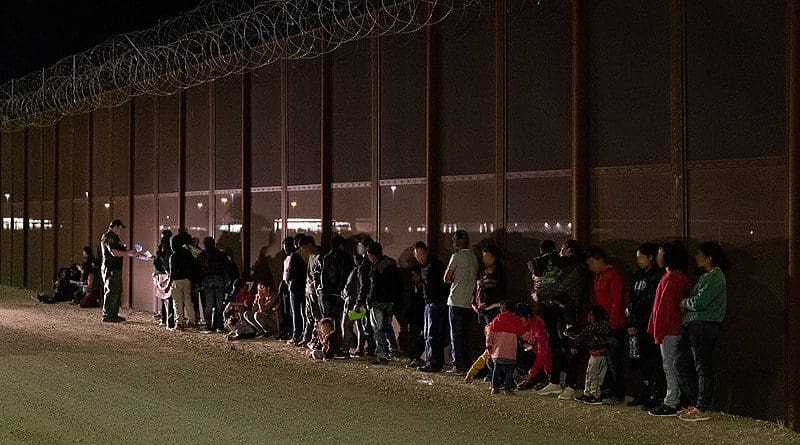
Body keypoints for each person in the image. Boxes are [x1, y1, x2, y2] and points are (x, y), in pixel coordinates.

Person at [675, 242, 730, 422]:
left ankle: (701, 406)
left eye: (699, 254)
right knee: (681, 363)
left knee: (701, 366)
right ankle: (696, 403)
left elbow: (700, 302)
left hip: (704, 325)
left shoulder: (716, 276)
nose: (696, 257)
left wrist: (684, 303)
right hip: (696, 325)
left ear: (708, 258)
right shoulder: (708, 276)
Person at [535, 240, 588, 400]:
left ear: (570, 250)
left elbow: (560, 286)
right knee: (556, 346)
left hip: (569, 312)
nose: (560, 251)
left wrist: (541, 292)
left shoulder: (578, 267)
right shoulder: (561, 265)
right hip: (555, 310)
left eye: (563, 248)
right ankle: (555, 381)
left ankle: (571, 384)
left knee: (570, 348)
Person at [647, 240, 691, 418]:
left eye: (660, 253)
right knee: (673, 366)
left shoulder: (671, 278)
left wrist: (657, 332)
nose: (658, 256)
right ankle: (675, 399)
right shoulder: (677, 277)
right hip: (674, 329)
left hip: (670, 330)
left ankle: (672, 402)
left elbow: (664, 309)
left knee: (669, 366)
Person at [626, 242, 666, 409]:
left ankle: (657, 394)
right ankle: (644, 391)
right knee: (642, 361)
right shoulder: (638, 275)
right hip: (639, 325)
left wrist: (633, 309)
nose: (639, 261)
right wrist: (631, 321)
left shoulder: (658, 275)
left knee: (655, 361)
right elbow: (632, 298)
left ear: (650, 257)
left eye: (641, 257)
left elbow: (650, 299)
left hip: (652, 325)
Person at [586, 247, 626, 403]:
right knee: (606, 361)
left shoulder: (613, 276)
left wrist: (612, 324)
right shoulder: (598, 277)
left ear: (599, 260)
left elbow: (617, 301)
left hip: (612, 326)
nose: (590, 268)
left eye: (591, 263)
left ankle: (617, 394)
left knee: (614, 362)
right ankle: (606, 392)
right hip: (603, 325)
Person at [444, 230, 479, 375]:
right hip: (469, 302)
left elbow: (446, 278)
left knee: (456, 335)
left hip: (456, 300)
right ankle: (466, 363)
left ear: (457, 242)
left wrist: (454, 279)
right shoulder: (474, 258)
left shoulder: (456, 256)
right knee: (465, 335)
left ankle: (458, 365)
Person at [361, 242, 402, 365]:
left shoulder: (375, 267)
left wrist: (368, 300)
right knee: (387, 326)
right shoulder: (392, 263)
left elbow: (373, 287)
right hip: (390, 301)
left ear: (371, 254)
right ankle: (393, 349)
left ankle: (382, 355)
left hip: (378, 302)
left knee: (378, 329)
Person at [411, 241, 449, 373]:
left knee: (432, 334)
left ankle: (434, 363)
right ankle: (431, 361)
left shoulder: (434, 265)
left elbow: (442, 284)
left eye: (421, 253)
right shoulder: (425, 266)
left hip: (436, 303)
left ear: (426, 251)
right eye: (417, 254)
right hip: (429, 302)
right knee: (428, 334)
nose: (419, 257)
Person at [571, 305, 613, 406]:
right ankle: (588, 394)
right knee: (590, 374)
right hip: (595, 355)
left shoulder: (595, 327)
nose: (588, 317)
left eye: (590, 314)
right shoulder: (603, 326)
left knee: (595, 376)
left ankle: (595, 396)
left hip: (599, 355)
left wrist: (575, 345)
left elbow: (582, 336)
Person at [486, 301, 528, 395]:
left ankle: (494, 388)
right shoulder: (516, 320)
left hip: (498, 351)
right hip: (510, 351)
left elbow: (490, 334)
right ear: (514, 310)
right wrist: (531, 339)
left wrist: (489, 345)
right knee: (510, 370)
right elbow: (523, 334)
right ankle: (507, 389)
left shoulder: (496, 319)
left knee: (496, 369)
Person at [342, 235, 375, 357]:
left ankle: (348, 349)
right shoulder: (365, 263)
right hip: (359, 299)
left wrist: (358, 300)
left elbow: (362, 285)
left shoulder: (363, 265)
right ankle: (361, 348)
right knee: (361, 325)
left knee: (349, 324)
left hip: (356, 299)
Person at [99, 219, 137, 323]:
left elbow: (120, 250)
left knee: (116, 290)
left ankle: (113, 314)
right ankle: (108, 315)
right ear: (115, 227)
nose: (121, 230)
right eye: (120, 228)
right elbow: (114, 252)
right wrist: (129, 252)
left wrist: (130, 252)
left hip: (114, 267)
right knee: (111, 290)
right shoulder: (109, 237)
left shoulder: (114, 237)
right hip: (111, 268)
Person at [318, 235, 354, 338]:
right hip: (340, 292)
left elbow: (323, 276)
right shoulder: (346, 257)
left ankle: (328, 340)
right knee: (339, 319)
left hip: (329, 292)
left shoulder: (327, 258)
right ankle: (338, 340)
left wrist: (324, 291)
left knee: (328, 319)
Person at [197, 236, 230, 333]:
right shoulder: (221, 254)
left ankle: (208, 325)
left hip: (207, 279)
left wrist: (199, 281)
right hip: (219, 278)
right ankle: (219, 325)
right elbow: (226, 266)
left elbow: (198, 269)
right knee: (219, 304)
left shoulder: (201, 255)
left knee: (209, 304)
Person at [516, 302, 552, 391]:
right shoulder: (522, 325)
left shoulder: (538, 327)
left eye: (520, 320)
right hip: (533, 353)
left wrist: (532, 373)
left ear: (528, 316)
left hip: (545, 360)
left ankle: (543, 379)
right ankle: (532, 379)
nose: (519, 323)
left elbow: (543, 353)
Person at [167, 234, 199, 330]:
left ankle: (179, 323)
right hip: (187, 280)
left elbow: (172, 272)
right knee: (188, 301)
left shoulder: (173, 256)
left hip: (177, 281)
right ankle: (192, 321)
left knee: (177, 302)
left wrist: (168, 284)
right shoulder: (188, 254)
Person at [473, 245, 506, 326]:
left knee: (491, 334)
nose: (484, 259)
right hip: (480, 310)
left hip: (493, 309)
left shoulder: (499, 273)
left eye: (486, 256)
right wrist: (473, 303)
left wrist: (486, 303)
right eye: (483, 256)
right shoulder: (482, 272)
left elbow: (500, 291)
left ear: (494, 258)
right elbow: (476, 289)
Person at [286, 235, 310, 346]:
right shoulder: (309, 255)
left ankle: (296, 334)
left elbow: (289, 272)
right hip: (305, 286)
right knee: (305, 312)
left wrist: (287, 280)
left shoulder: (295, 255)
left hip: (295, 286)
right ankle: (306, 334)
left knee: (295, 311)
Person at [302, 237, 325, 347]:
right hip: (309, 289)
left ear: (310, 244)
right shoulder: (311, 256)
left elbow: (318, 274)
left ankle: (315, 339)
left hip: (314, 291)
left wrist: (316, 288)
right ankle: (308, 337)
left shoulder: (319, 256)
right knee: (309, 316)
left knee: (316, 316)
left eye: (304, 247)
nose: (303, 250)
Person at [153, 230, 174, 329]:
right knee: (169, 298)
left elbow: (156, 262)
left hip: (159, 275)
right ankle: (169, 321)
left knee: (163, 298)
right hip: (166, 274)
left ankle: (164, 319)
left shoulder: (160, 248)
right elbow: (167, 263)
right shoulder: (170, 249)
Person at [277, 236, 296, 340]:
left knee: (292, 311)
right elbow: (284, 274)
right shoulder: (287, 258)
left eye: (286, 247)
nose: (285, 249)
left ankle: (292, 331)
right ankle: (288, 330)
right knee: (286, 310)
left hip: (291, 287)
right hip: (286, 286)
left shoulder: (294, 257)